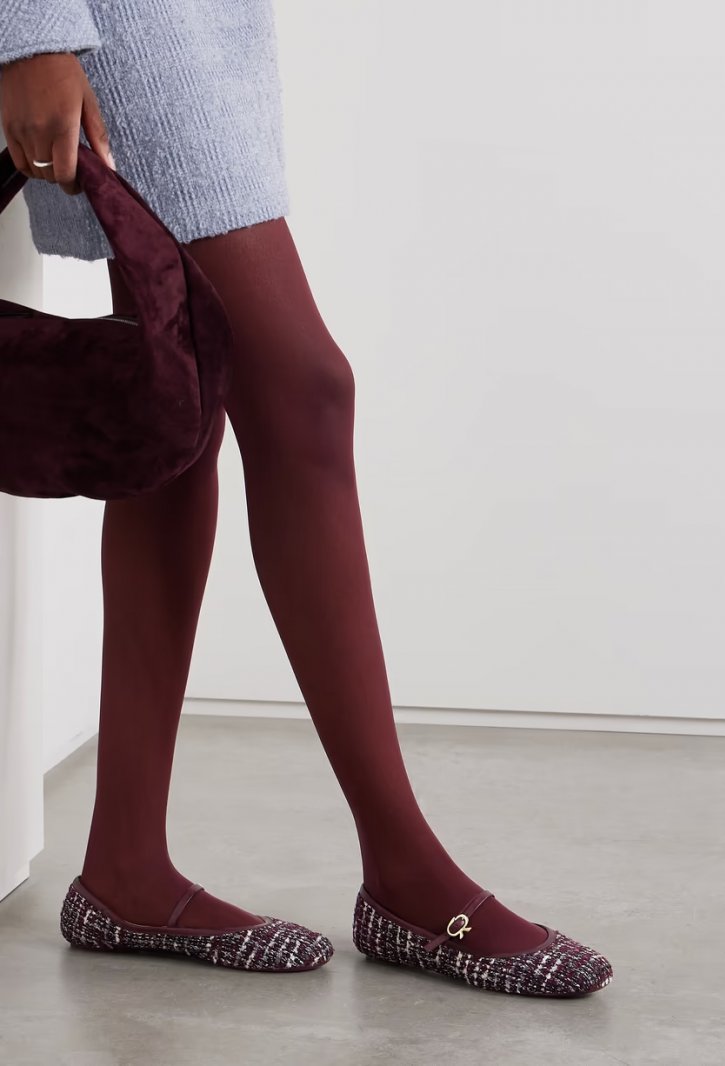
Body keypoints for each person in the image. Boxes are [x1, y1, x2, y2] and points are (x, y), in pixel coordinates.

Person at [0, 1, 612, 995]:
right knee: (306, 394)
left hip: (210, 21)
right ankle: (407, 873)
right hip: (115, 20)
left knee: (175, 395)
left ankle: (125, 865)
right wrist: (29, 29)